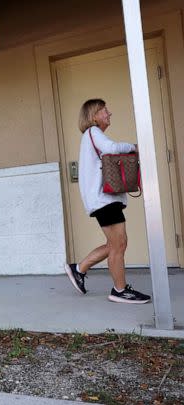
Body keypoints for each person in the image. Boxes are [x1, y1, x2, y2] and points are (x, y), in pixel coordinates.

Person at [64, 99, 150, 304]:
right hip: (104, 201)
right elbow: (112, 148)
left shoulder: (93, 135)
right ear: (94, 116)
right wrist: (137, 147)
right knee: (119, 244)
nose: (109, 114)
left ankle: (79, 269)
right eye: (104, 111)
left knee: (116, 243)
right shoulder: (93, 132)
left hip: (104, 200)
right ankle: (119, 290)